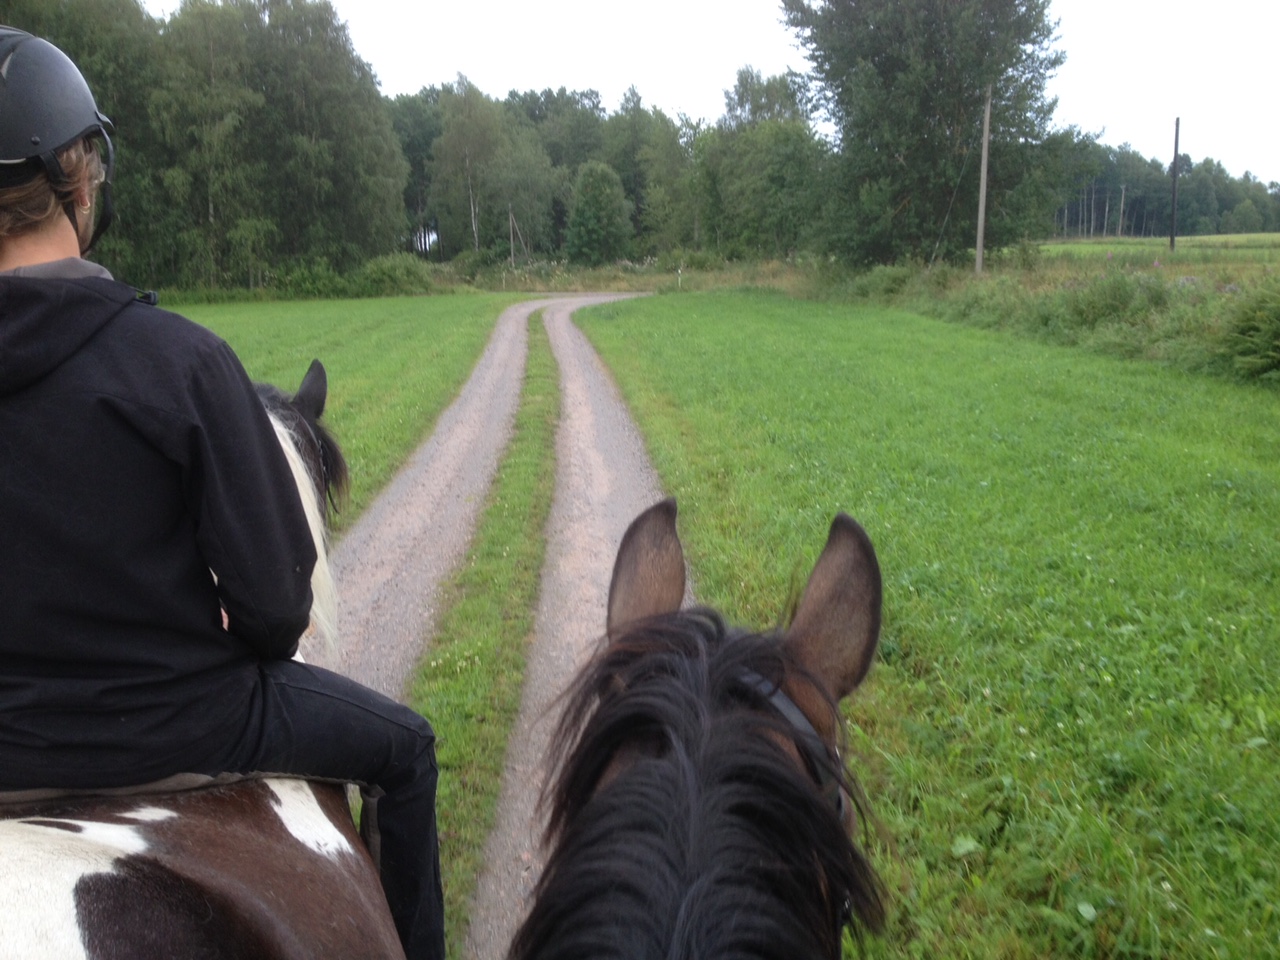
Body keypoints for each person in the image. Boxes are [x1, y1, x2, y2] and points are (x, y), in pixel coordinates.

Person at [0, 26, 443, 960]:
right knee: (404, 750)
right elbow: (278, 610)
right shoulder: (182, 363)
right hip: (181, 725)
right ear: (81, 180)